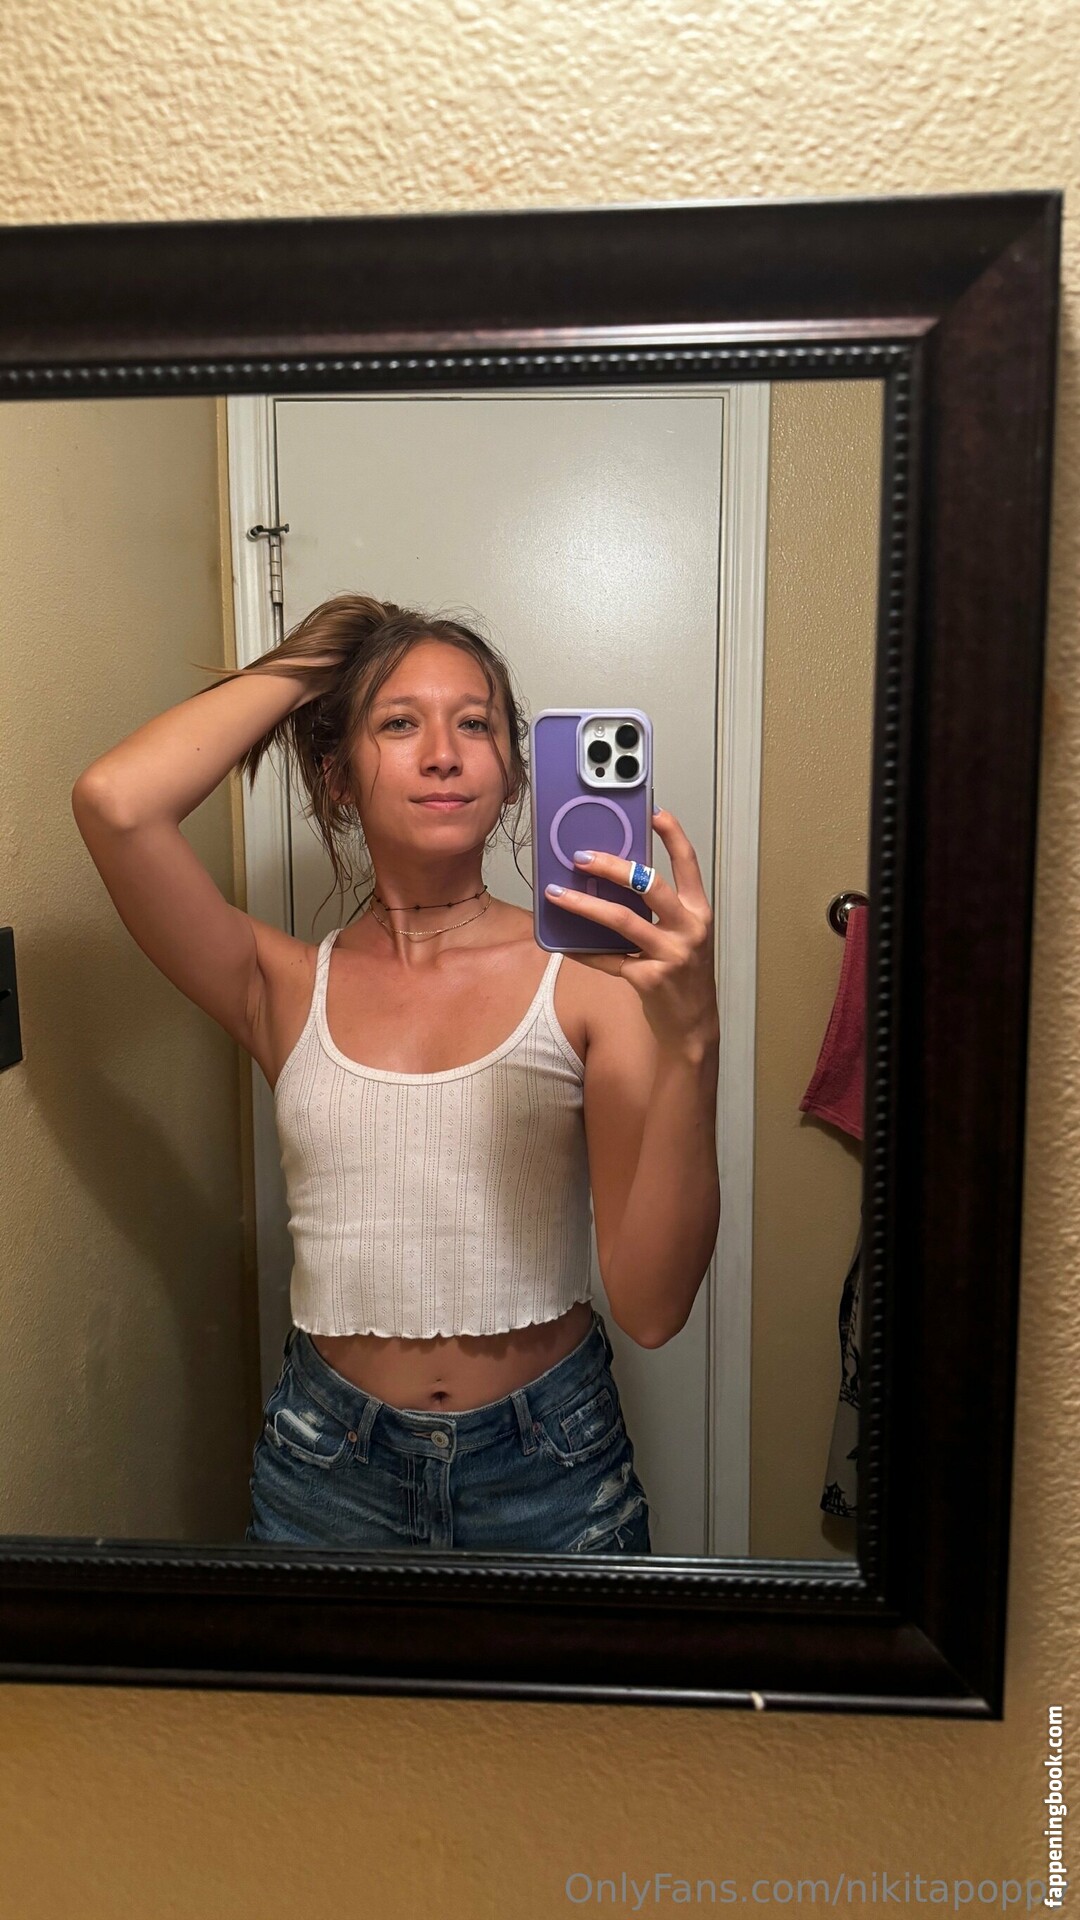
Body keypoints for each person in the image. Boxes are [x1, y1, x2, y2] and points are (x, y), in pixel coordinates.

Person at [71, 593, 721, 1554]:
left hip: (552, 1469)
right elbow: (116, 804)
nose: (445, 753)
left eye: (476, 725)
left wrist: (694, 1040)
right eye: (398, 723)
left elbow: (655, 1309)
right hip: (325, 1471)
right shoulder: (282, 985)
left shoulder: (593, 979)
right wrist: (324, 655)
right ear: (337, 777)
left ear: (512, 775)